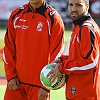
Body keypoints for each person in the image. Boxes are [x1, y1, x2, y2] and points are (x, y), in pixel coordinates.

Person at [3, 0, 65, 100]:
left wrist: (46, 86)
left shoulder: (54, 18)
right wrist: (10, 76)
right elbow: (8, 48)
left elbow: (57, 54)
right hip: (16, 83)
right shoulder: (16, 14)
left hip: (39, 87)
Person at [47, 0, 100, 100]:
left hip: (85, 95)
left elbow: (90, 62)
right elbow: (78, 57)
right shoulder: (78, 27)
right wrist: (62, 59)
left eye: (78, 5)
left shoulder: (87, 28)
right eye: (71, 5)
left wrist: (62, 67)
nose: (73, 9)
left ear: (87, 6)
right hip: (76, 92)